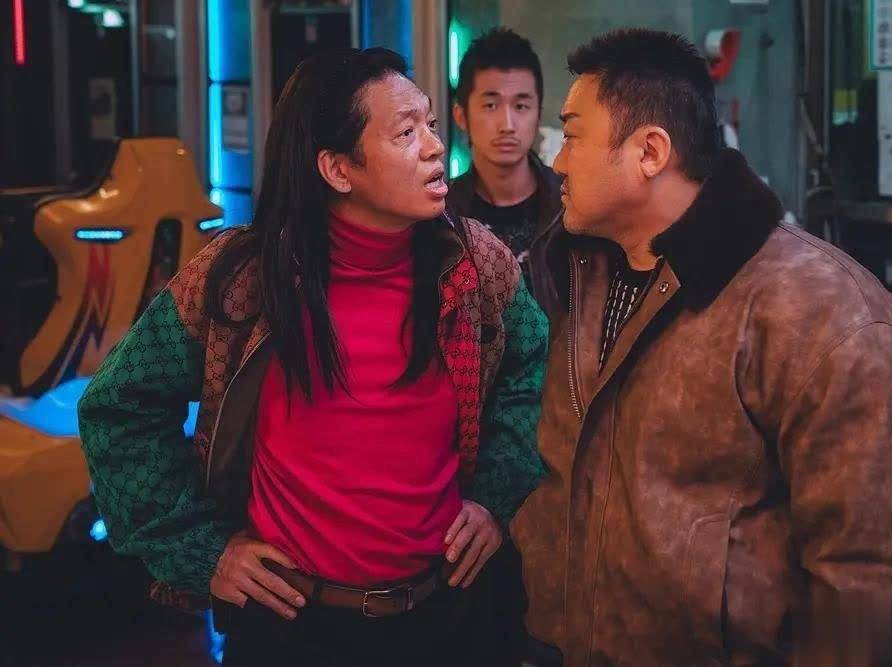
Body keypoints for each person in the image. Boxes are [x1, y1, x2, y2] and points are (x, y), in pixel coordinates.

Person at [78, 47, 548, 666]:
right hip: (290, 627)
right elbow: (118, 405)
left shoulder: (472, 265)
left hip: (445, 615)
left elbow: (530, 367)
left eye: (431, 124)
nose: (436, 147)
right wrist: (202, 550)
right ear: (338, 169)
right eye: (406, 133)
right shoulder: (244, 279)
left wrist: (492, 496)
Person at [510, 29, 892, 665]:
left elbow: (876, 577)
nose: (557, 161)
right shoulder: (573, 273)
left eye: (574, 135)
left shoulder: (823, 310)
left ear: (650, 152)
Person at [447, 28, 562, 317]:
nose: (507, 125)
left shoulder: (569, 205)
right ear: (461, 116)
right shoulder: (442, 214)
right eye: (490, 105)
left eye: (521, 106)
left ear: (538, 113)